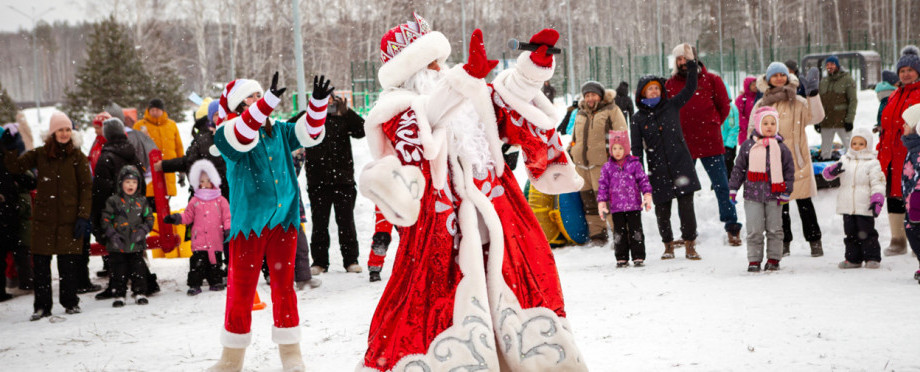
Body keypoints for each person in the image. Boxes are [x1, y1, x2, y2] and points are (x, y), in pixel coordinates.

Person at [357, 16, 586, 371]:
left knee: (518, 298)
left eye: (441, 60)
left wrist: (532, 68)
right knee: (434, 311)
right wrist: (464, 80)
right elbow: (423, 126)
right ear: (413, 70)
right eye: (431, 62)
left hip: (499, 221)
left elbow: (508, 100)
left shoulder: (469, 97)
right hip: (441, 233)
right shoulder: (396, 109)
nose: (441, 68)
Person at [208, 72, 331, 371]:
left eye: (260, 94)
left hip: (283, 220)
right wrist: (267, 102)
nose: (258, 100)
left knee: (284, 287)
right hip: (249, 224)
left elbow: (308, 133)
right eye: (251, 97)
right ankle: (231, 359)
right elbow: (244, 134)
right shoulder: (226, 134)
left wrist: (317, 104)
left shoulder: (278, 130)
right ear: (238, 106)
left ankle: (291, 353)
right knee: (242, 289)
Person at [1, 112, 92, 320]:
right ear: (52, 132)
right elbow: (14, 167)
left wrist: (82, 216)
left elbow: (86, 188)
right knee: (41, 266)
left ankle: (70, 302)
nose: (64, 133)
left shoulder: (78, 157)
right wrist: (10, 147)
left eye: (68, 129)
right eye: (60, 129)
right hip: (44, 221)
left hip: (70, 220)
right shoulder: (40, 154)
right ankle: (42, 306)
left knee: (68, 265)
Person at [666, 43, 742, 246]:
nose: (682, 62)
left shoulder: (712, 80)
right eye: (679, 59)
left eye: (685, 58)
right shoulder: (670, 84)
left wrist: (713, 123)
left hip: (711, 143)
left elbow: (724, 106)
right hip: (684, 146)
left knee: (722, 187)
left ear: (694, 58)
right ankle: (688, 233)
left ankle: (732, 227)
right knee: (684, 191)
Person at [631, 53, 703, 260]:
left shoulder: (671, 105)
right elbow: (636, 149)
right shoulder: (637, 119)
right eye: (649, 88)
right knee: (662, 210)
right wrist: (639, 175)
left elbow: (690, 89)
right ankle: (668, 245)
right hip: (657, 169)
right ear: (642, 92)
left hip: (681, 165)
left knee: (686, 208)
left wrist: (690, 67)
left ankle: (690, 244)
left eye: (656, 87)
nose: (654, 91)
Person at [751, 62, 825, 257]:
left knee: (804, 203)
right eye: (774, 75)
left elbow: (817, 117)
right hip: (773, 162)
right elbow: (753, 129)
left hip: (797, 159)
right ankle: (784, 242)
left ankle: (815, 241)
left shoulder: (798, 101)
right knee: (780, 206)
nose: (778, 78)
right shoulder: (762, 103)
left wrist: (813, 95)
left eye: (781, 75)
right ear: (767, 79)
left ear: (787, 76)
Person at [303, 94, 365, 275]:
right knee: (319, 222)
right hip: (318, 181)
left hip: (343, 180)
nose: (327, 103)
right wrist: (310, 112)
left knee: (346, 222)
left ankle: (351, 260)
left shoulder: (342, 116)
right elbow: (293, 129)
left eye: (330, 99)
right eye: (322, 98)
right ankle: (320, 261)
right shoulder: (308, 116)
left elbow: (362, 130)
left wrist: (346, 113)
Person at [729, 107, 795, 272]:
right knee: (754, 230)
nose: (769, 126)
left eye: (773, 123)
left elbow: (789, 170)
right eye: (765, 123)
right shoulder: (748, 146)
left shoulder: (781, 148)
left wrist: (786, 190)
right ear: (758, 124)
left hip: (775, 196)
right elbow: (739, 168)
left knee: (775, 229)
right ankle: (754, 260)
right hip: (753, 196)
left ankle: (773, 259)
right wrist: (733, 188)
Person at [571, 80, 628, 243]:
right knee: (589, 202)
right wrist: (572, 152)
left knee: (608, 201)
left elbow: (621, 137)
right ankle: (597, 234)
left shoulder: (611, 110)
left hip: (603, 166)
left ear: (600, 96)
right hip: (582, 167)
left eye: (593, 95)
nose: (590, 98)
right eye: (587, 95)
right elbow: (575, 137)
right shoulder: (580, 113)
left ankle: (620, 234)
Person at [162, 160, 230, 295]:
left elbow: (227, 217)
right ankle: (195, 284)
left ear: (213, 182)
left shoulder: (220, 200)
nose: (204, 184)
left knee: (215, 263)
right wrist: (177, 218)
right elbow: (188, 216)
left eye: (207, 181)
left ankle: (215, 281)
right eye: (201, 181)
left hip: (215, 239)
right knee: (197, 264)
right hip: (199, 240)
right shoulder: (195, 200)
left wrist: (228, 229)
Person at [821, 128, 885, 269]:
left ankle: (872, 257)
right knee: (850, 233)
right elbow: (827, 175)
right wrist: (831, 171)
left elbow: (878, 183)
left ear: (867, 145)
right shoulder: (844, 160)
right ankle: (853, 259)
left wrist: (877, 199)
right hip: (847, 206)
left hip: (864, 205)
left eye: (861, 144)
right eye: (854, 143)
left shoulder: (873, 163)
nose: (856, 146)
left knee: (867, 233)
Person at [878, 46, 920, 257]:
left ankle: (917, 238)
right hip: (890, 153)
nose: (906, 74)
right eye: (902, 70)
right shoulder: (895, 93)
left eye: (910, 70)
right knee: (893, 195)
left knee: (915, 195)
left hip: (912, 152)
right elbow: (885, 125)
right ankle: (898, 239)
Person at [597, 130, 652, 268]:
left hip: (634, 205)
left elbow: (643, 180)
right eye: (614, 148)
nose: (617, 151)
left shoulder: (634, 164)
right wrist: (602, 202)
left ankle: (638, 256)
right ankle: (621, 257)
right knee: (619, 233)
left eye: (620, 148)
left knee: (636, 231)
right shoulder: (607, 167)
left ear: (626, 148)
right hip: (617, 207)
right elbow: (602, 186)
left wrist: (647, 195)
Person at [101, 165, 153, 307]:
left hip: (136, 243)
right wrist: (112, 235)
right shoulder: (113, 201)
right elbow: (106, 220)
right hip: (118, 244)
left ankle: (139, 292)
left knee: (138, 269)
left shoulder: (141, 201)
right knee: (118, 270)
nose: (131, 185)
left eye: (134, 182)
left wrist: (143, 231)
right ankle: (119, 294)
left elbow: (149, 219)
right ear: (121, 183)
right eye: (127, 182)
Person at [157, 100, 229, 199]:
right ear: (210, 117)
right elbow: (189, 162)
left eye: (222, 114)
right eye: (216, 114)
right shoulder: (203, 140)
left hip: (231, 194)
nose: (220, 117)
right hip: (207, 195)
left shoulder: (234, 136)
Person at [0, 124, 35, 300]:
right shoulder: (6, 160)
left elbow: (28, 180)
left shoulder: (9, 161)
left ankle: (16, 281)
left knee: (18, 249)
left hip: (12, 211)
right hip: (10, 210)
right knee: (18, 250)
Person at [133, 98, 184, 199]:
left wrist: (182, 169)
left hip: (168, 172)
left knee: (165, 208)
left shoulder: (171, 125)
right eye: (152, 110)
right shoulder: (140, 126)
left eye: (157, 110)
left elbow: (179, 147)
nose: (155, 112)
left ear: (163, 111)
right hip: (148, 174)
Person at [817, 55, 858, 160]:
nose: (830, 67)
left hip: (842, 121)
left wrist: (849, 119)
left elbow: (853, 100)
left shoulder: (847, 80)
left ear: (837, 65)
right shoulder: (823, 81)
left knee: (850, 146)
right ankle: (825, 169)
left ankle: (855, 163)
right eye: (827, 65)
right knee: (825, 149)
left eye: (832, 64)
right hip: (826, 121)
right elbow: (818, 102)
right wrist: (817, 121)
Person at [899, 104, 920, 283]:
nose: (903, 126)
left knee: (916, 234)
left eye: (907, 123)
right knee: (913, 234)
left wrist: (916, 200)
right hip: (911, 204)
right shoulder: (913, 148)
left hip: (917, 205)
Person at [366, 206, 394, 282]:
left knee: (409, 236)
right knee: (382, 236)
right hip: (385, 198)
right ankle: (375, 268)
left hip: (409, 198)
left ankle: (413, 265)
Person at [721, 81, 741, 177]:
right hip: (717, 146)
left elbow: (734, 128)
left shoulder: (732, 109)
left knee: (728, 164)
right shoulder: (712, 108)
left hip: (728, 145)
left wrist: (728, 145)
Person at [735, 76, 758, 152]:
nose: (755, 86)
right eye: (753, 85)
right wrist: (746, 125)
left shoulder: (759, 97)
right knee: (746, 150)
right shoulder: (741, 99)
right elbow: (738, 114)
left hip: (757, 128)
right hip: (745, 131)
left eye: (756, 84)